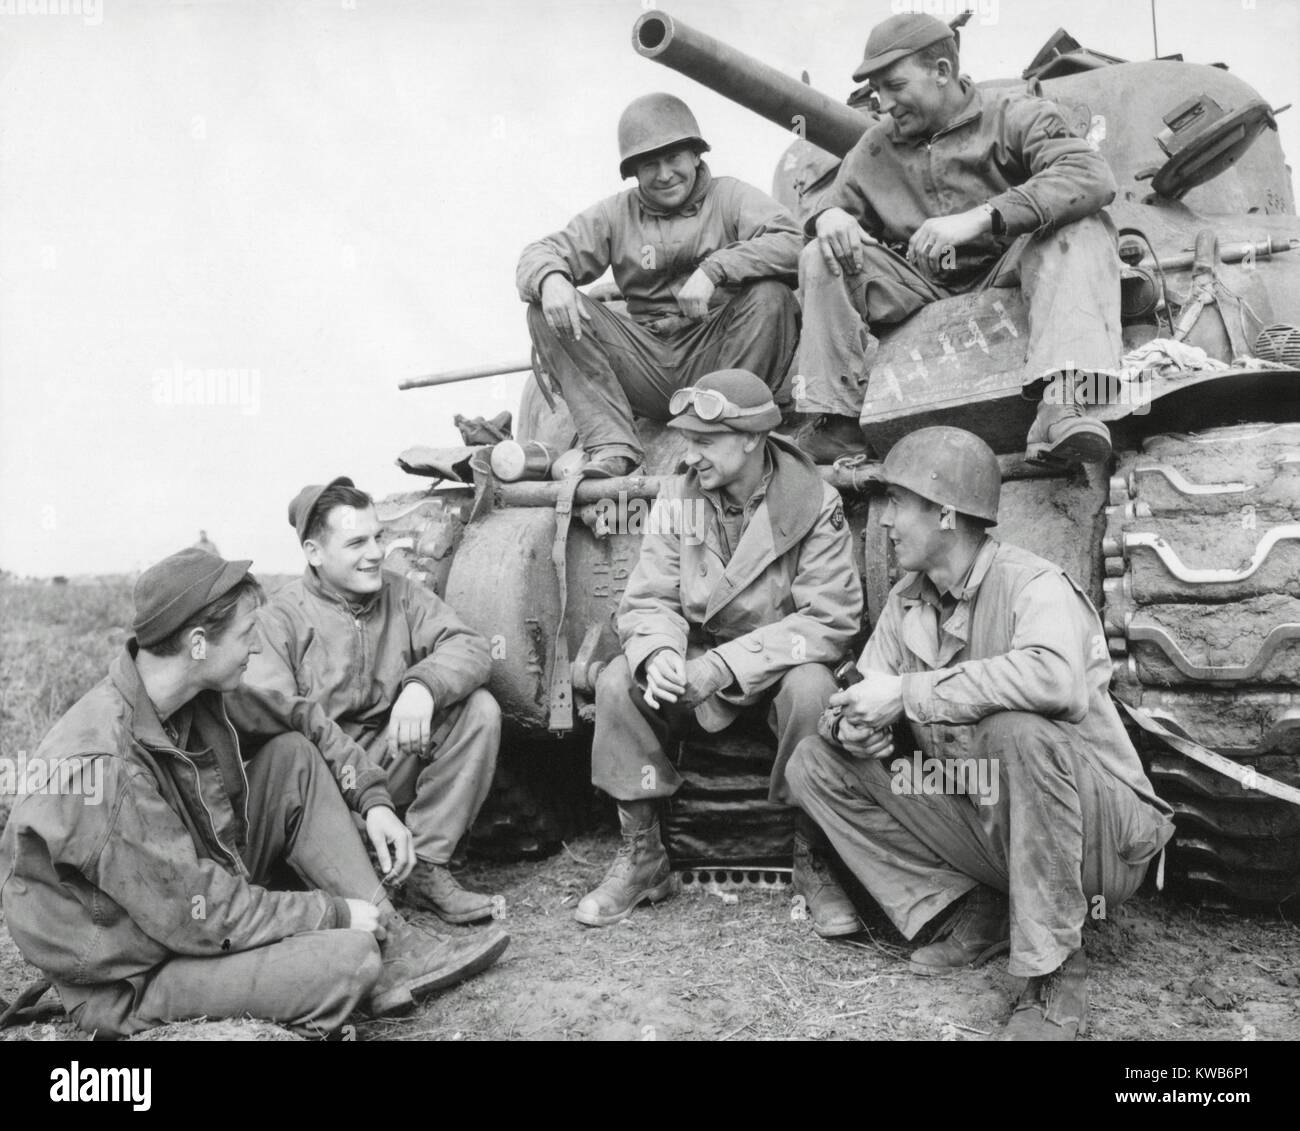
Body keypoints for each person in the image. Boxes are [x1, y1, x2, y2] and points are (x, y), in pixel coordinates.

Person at [0, 548, 508, 1038]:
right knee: (351, 959)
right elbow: (200, 911)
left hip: (185, 897)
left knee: (292, 757)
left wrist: (374, 801)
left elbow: (303, 719)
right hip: (134, 973)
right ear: (198, 643)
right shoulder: (106, 767)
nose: (258, 648)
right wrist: (331, 913)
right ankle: (364, 955)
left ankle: (395, 941)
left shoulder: (188, 691)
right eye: (247, 634)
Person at [784, 427, 1175, 1040]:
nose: (884, 521)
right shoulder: (907, 601)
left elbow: (1056, 681)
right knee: (814, 762)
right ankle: (978, 908)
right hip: (988, 816)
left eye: (897, 504)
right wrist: (854, 728)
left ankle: (1054, 972)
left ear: (944, 514)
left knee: (1015, 730)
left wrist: (908, 696)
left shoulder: (1034, 584)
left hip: (1102, 839)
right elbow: (864, 694)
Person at [576, 369, 864, 936]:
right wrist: (658, 652)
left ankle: (813, 861)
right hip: (693, 663)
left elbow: (829, 619)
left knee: (815, 689)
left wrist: (723, 666)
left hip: (777, 666)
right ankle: (643, 857)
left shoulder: (812, 501)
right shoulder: (678, 495)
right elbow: (652, 594)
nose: (691, 455)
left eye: (705, 442)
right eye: (687, 440)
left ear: (752, 439)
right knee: (617, 682)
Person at [795, 12, 1121, 467]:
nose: (883, 103)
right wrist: (828, 216)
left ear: (942, 72)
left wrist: (983, 217)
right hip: (921, 285)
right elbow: (829, 205)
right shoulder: (874, 148)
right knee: (820, 254)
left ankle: (1062, 404)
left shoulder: (1013, 114)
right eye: (876, 92)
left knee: (1083, 227)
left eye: (894, 86)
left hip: (1011, 269)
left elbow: (1090, 176)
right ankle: (839, 423)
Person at [241, 477, 502, 925]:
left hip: (387, 759)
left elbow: (471, 647)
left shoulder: (400, 594)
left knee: (479, 709)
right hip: (324, 783)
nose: (377, 553)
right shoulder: (278, 620)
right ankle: (348, 868)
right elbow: (281, 724)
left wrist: (423, 686)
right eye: (357, 542)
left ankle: (425, 864)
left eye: (378, 537)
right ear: (314, 553)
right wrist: (360, 794)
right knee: (294, 752)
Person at [517, 93, 803, 478]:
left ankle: (722, 432)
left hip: (717, 354)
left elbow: (794, 243)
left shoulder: (731, 197)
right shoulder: (616, 214)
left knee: (772, 298)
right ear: (633, 172)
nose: (665, 173)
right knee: (542, 308)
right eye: (650, 164)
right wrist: (551, 278)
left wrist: (716, 269)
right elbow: (539, 252)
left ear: (696, 156)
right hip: (644, 361)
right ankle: (613, 445)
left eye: (674, 159)